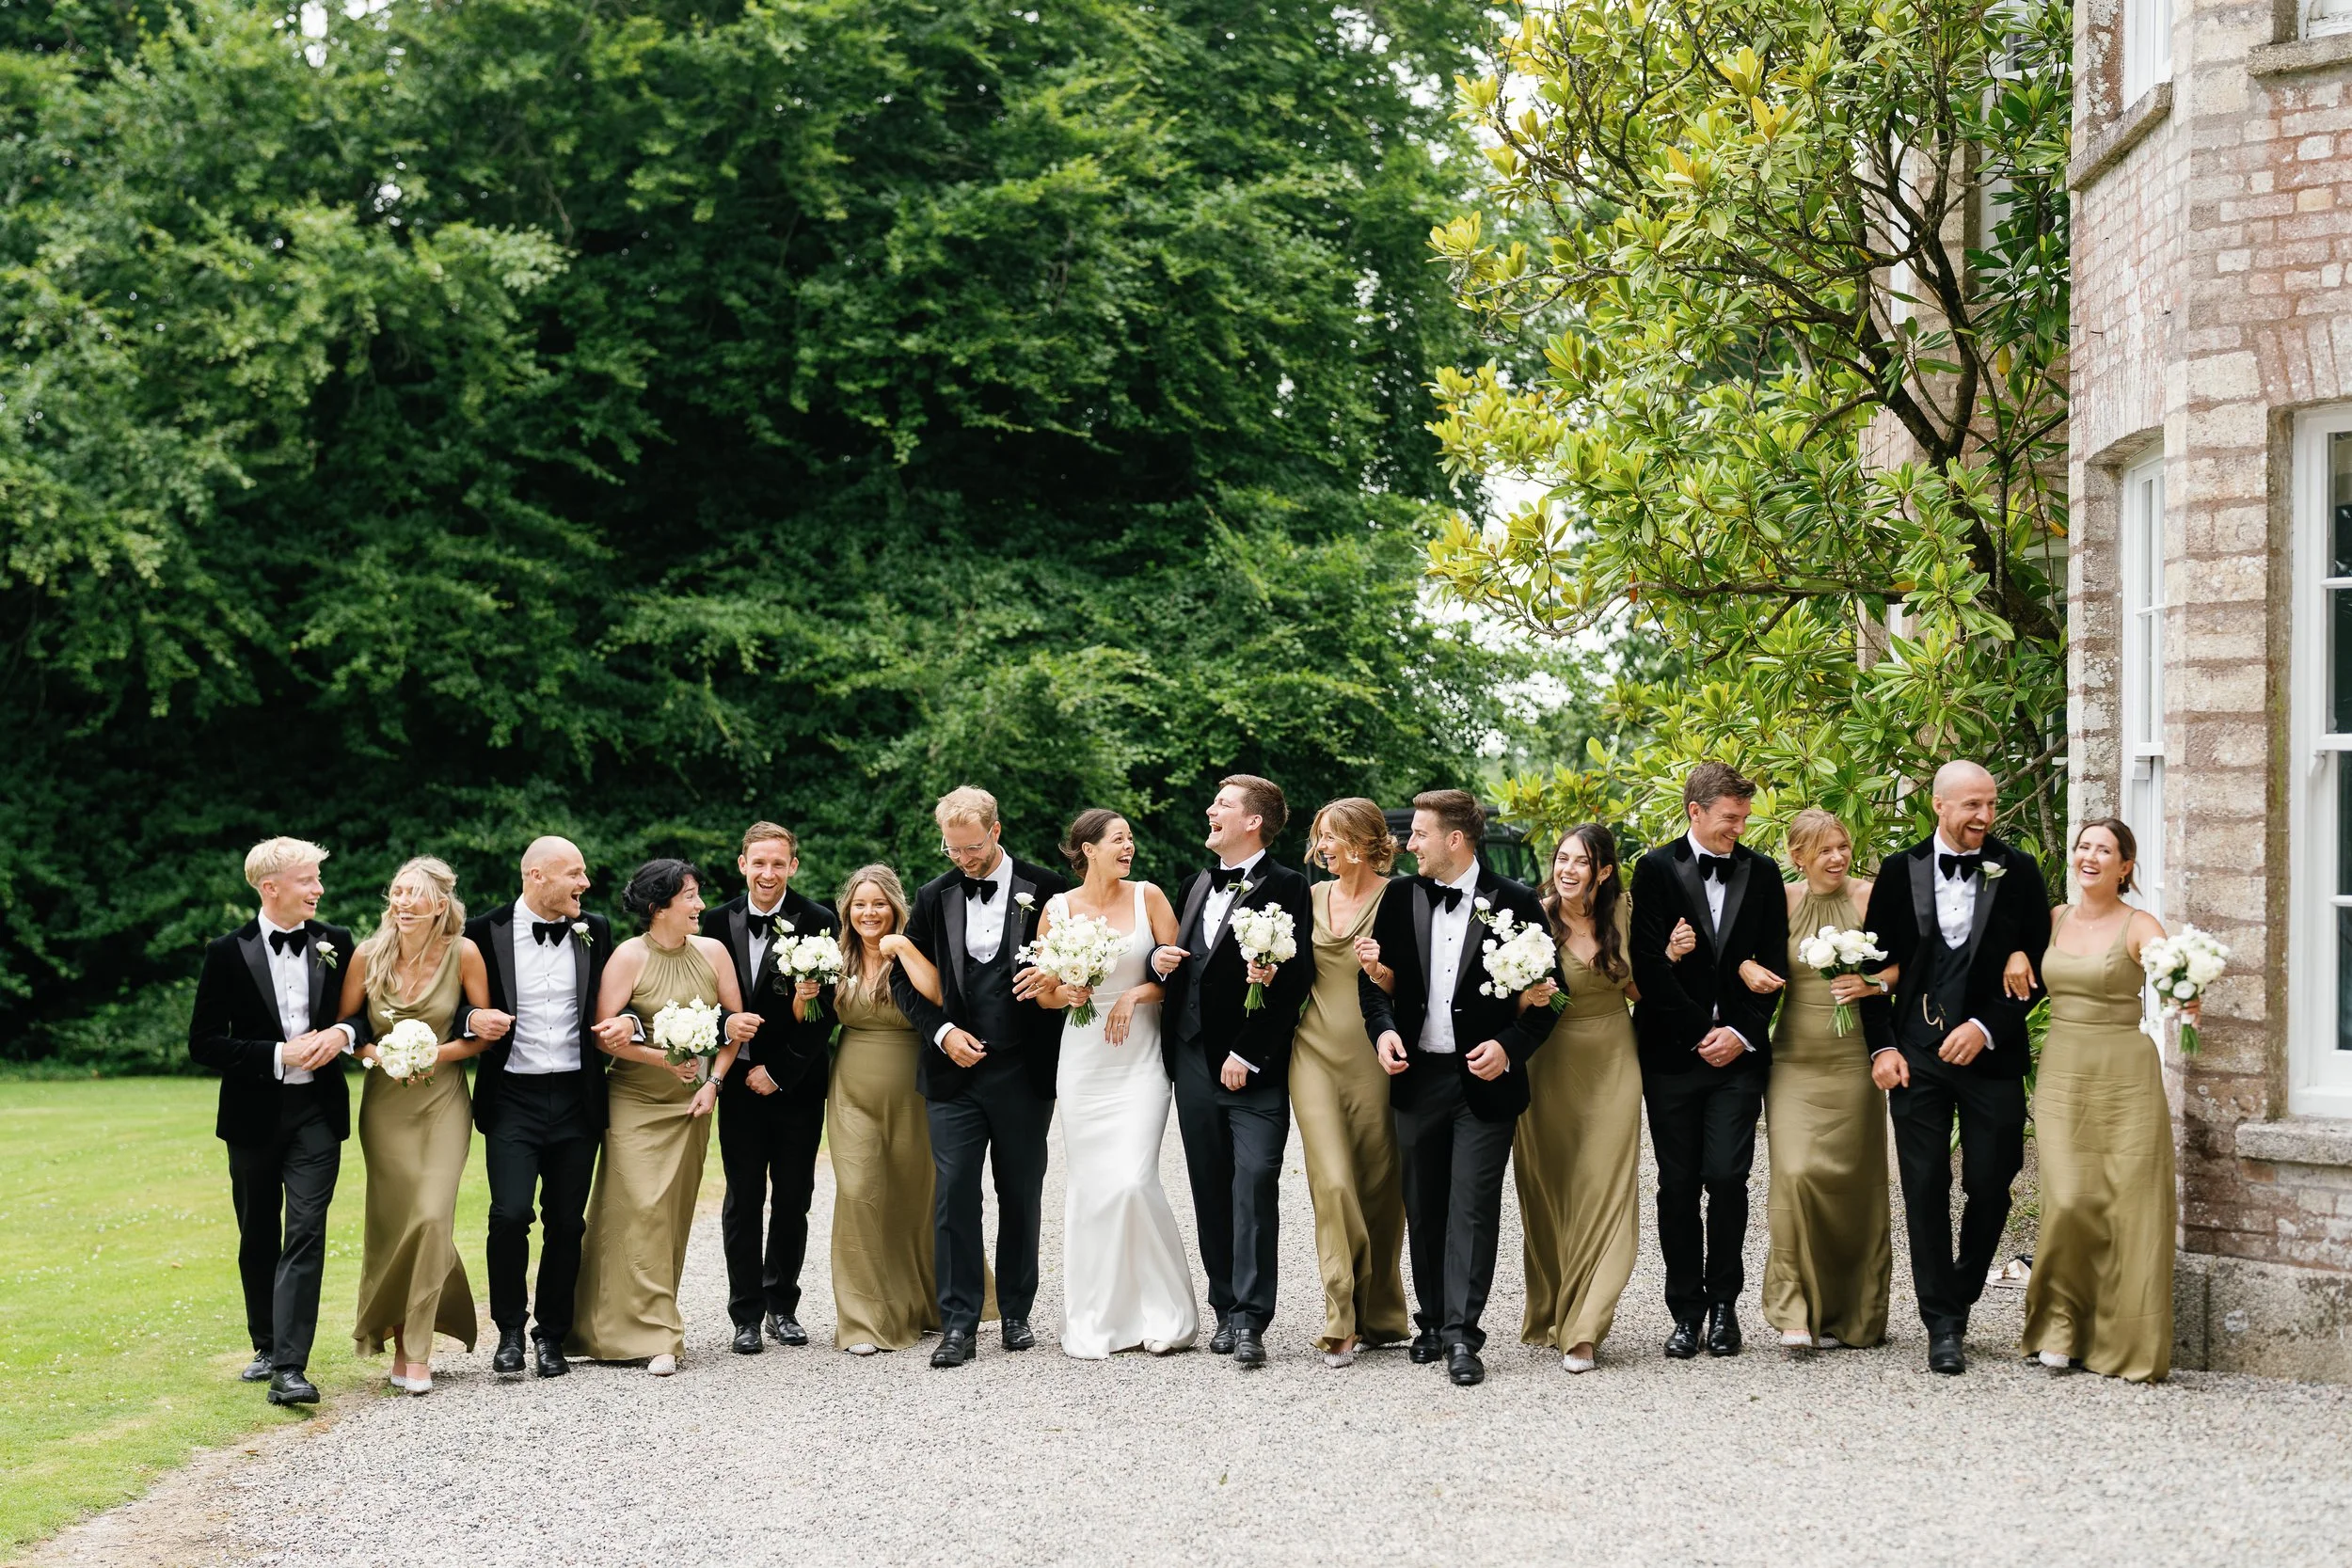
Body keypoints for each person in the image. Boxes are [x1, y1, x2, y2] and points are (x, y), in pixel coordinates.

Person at [1859, 760, 2052, 1375]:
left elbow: (2043, 964)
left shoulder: (2018, 869)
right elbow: (1871, 968)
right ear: (1939, 805)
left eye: (1990, 804)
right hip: (1915, 1051)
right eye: (1972, 805)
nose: (1985, 816)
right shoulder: (1900, 871)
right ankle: (1942, 1322)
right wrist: (1882, 1048)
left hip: (1990, 1053)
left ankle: (1963, 1283)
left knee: (1993, 1178)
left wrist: (1987, 1025)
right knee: (1923, 1184)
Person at [1359, 788, 1551, 1387]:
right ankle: (1433, 1321)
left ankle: (1464, 1335)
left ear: (1455, 840)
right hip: (1417, 1077)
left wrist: (1509, 1047)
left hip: (1484, 1081)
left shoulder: (1516, 901)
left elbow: (1551, 998)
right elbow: (1374, 985)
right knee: (1424, 1206)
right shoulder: (1400, 897)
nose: (1408, 844)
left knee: (1471, 1205)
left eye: (1419, 834)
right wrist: (1384, 1033)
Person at [892, 786, 1070, 1368]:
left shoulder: (1048, 888)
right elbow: (903, 979)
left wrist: (1056, 983)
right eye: (953, 849)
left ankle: (1016, 1312)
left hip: (1023, 1068)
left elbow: (1073, 969)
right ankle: (959, 1323)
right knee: (954, 1195)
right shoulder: (933, 895)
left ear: (996, 832)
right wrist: (942, 1033)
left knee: (1021, 1191)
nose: (963, 860)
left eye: (971, 848)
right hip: (953, 1075)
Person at [188, 837, 361, 1407]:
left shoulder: (336, 942)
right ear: (271, 888)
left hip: (318, 1112)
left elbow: (361, 1014)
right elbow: (204, 1042)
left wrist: (343, 1033)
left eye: (317, 879)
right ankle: (265, 1344)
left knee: (306, 1231)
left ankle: (290, 1367)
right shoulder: (225, 952)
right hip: (253, 1115)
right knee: (258, 1232)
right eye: (308, 880)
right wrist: (275, 1055)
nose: (319, 889)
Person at [1153, 774, 1315, 1370]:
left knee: (1255, 1180)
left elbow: (1297, 978)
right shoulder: (1196, 883)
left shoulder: (1289, 885)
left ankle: (1251, 1317)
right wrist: (1158, 960)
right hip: (1191, 1059)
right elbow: (1187, 966)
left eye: (1222, 804)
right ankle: (1225, 1308)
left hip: (1254, 1067)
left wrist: (1248, 1053)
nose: (1209, 810)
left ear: (1253, 821)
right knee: (1209, 1185)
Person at [1629, 762, 1789, 1361]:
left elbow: (1774, 962)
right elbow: (1648, 966)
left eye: (1744, 818)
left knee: (1726, 1177)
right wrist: (1703, 1031)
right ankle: (1685, 1311)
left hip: (1739, 1058)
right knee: (1677, 1184)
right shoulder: (1654, 868)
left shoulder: (1763, 872)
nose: (1739, 828)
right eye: (1730, 818)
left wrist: (1741, 1034)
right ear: (1695, 811)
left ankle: (1725, 1305)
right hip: (1673, 1053)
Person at [568, 859, 755, 1375]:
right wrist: (662, 1059)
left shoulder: (713, 952)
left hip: (691, 1102)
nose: (700, 905)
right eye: (689, 896)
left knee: (670, 1213)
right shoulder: (629, 956)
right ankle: (651, 1334)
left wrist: (714, 1084)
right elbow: (604, 1036)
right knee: (635, 1209)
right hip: (634, 1099)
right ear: (658, 907)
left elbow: (734, 1028)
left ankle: (644, 1324)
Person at [1035, 810, 1199, 1358]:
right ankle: (1100, 1317)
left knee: (1132, 1180)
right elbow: (1044, 992)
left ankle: (1166, 1312)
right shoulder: (1057, 910)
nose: (1129, 847)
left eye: (1131, 839)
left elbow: (1180, 975)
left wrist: (1133, 994)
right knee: (1092, 1187)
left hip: (1140, 1058)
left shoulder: (1149, 897)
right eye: (1118, 839)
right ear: (1087, 849)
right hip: (1084, 1061)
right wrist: (1067, 994)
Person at [2020, 817, 2179, 1383]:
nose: (2089, 856)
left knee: (2125, 1204)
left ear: (2125, 866)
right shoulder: (2055, 918)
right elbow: (2012, 960)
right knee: (2068, 1199)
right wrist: (2015, 955)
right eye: (2083, 846)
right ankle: (2061, 1326)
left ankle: (2119, 1337)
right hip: (2063, 1069)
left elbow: (2172, 976)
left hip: (2125, 1075)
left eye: (2104, 850)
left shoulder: (2140, 924)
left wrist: (2186, 992)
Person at [339, 856, 497, 1394]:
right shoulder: (368, 954)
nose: (403, 902)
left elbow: (480, 1034)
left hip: (443, 1101)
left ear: (440, 904)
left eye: (415, 894)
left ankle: (417, 1350)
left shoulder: (463, 953)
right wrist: (380, 1056)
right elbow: (348, 1029)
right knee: (395, 1225)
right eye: (399, 892)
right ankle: (401, 1333)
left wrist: (434, 1054)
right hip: (386, 1106)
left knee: (431, 1217)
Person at [458, 836, 612, 1381]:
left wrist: (629, 1026)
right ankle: (508, 1331)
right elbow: (452, 1001)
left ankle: (551, 1335)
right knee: (509, 1214)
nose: (585, 883)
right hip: (512, 1098)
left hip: (576, 1096)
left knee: (567, 1222)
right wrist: (470, 1020)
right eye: (575, 872)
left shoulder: (596, 929)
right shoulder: (482, 931)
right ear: (536, 876)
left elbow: (615, 1001)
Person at [1761, 809, 1892, 1354]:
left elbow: (1906, 963)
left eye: (1842, 846)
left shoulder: (1870, 897)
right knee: (1794, 1175)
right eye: (1824, 850)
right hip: (1794, 1059)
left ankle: (1854, 1313)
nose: (1837, 857)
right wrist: (1747, 968)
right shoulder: (1782, 902)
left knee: (1854, 1185)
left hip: (1855, 1060)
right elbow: (1746, 956)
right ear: (1798, 858)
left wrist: (1872, 985)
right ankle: (1795, 1309)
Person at [1515, 823, 1643, 1374]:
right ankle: (1556, 1308)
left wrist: (1671, 955)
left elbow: (1639, 988)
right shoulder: (1532, 918)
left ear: (1604, 872)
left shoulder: (1625, 913)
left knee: (1606, 1189)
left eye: (1582, 862)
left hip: (1614, 1059)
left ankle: (1585, 1328)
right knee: (1554, 1191)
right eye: (1562, 858)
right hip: (1547, 1063)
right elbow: (1508, 1003)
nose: (1567, 870)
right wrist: (1528, 997)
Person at [1289, 798, 1410, 1368]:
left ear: (1362, 842)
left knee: (1380, 1186)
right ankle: (1340, 1317)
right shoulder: (1310, 897)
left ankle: (1379, 1314)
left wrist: (1379, 969)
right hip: (1313, 1052)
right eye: (1320, 836)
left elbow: (1414, 983)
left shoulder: (1400, 896)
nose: (1322, 847)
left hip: (1375, 1053)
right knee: (1333, 1181)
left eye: (1331, 836)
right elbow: (1294, 971)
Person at [707, 822, 836, 1355]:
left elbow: (827, 1012)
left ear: (793, 866)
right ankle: (745, 1314)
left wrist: (781, 1071)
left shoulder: (820, 920)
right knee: (743, 1199)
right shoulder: (713, 923)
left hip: (797, 1085)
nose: (768, 873)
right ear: (742, 864)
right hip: (737, 1083)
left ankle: (782, 1305)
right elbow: (702, 999)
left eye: (778, 863)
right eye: (758, 862)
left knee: (792, 1198)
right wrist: (725, 1038)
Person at [827, 865, 961, 1353]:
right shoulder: (833, 957)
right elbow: (808, 1019)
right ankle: (864, 1321)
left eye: (879, 904)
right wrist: (802, 998)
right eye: (860, 905)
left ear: (896, 908)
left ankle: (922, 1305)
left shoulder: (915, 950)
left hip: (914, 1092)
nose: (869, 913)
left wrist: (903, 948)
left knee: (912, 1198)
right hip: (852, 1092)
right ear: (848, 911)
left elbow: (941, 995)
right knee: (858, 1192)